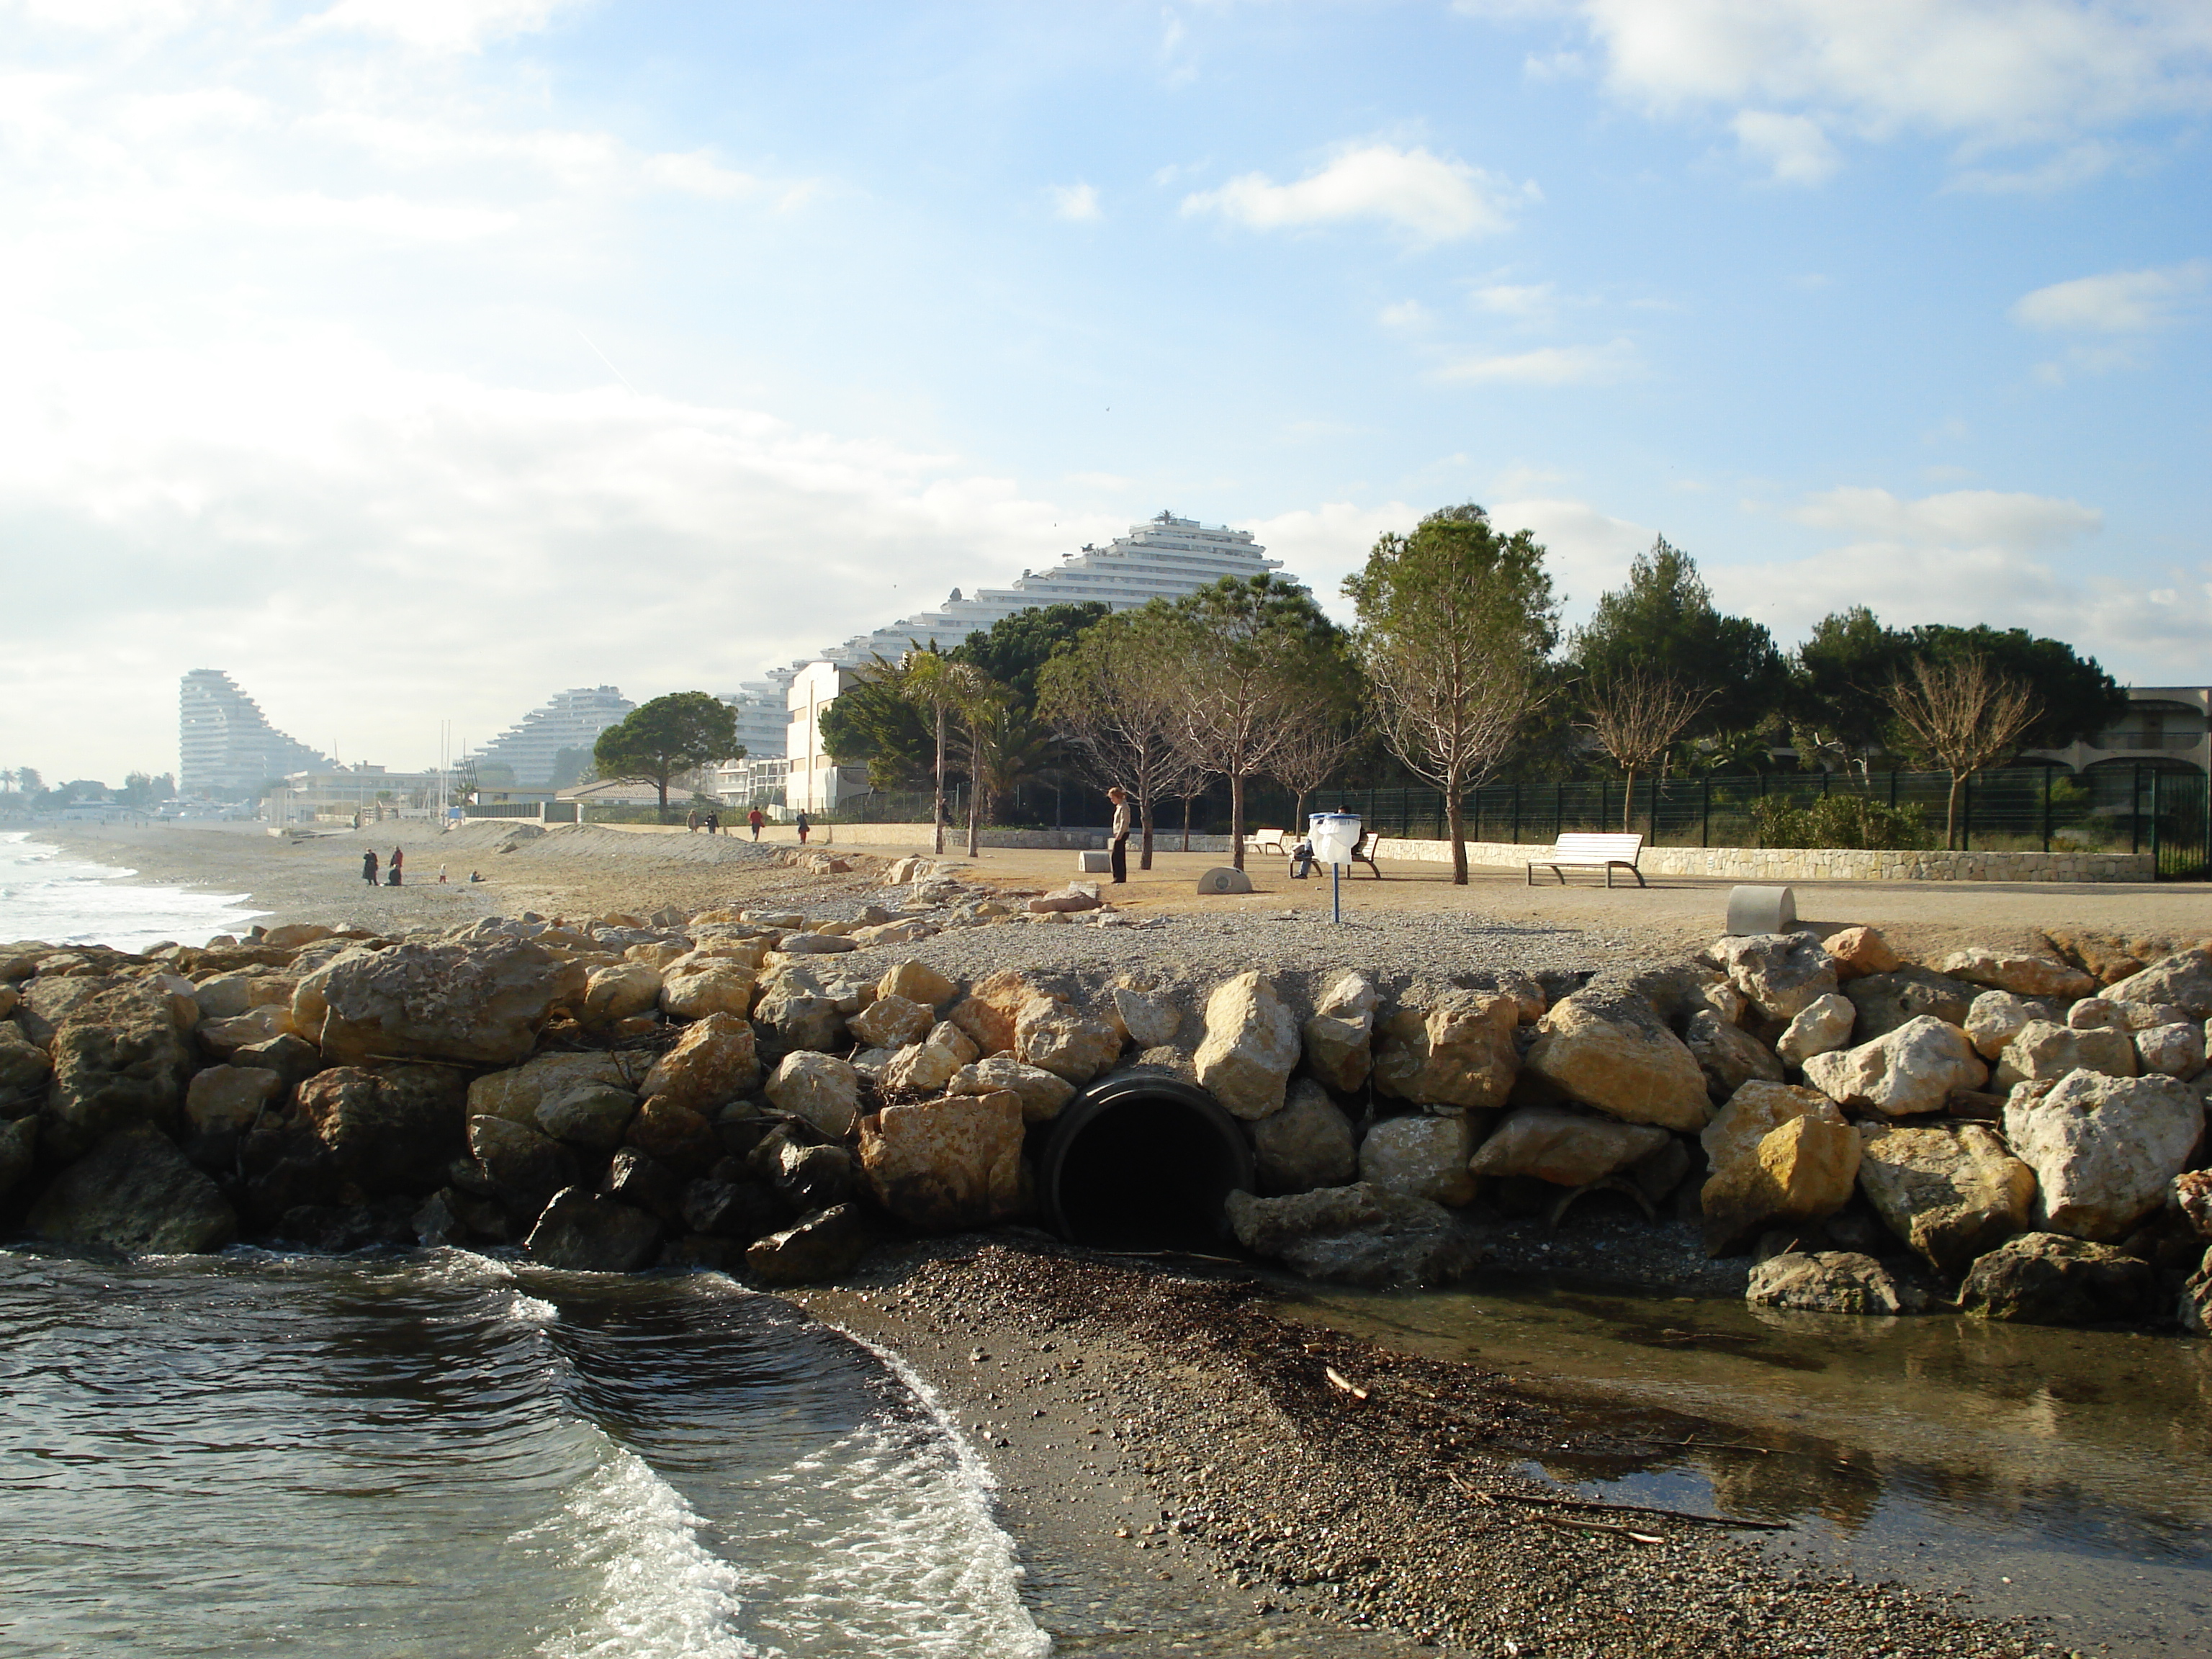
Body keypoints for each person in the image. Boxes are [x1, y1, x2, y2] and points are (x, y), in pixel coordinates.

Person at [1107, 786, 1131, 884]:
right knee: (1119, 855)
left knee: (1116, 856)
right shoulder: (1119, 806)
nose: (1112, 800)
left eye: (1113, 798)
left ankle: (1119, 877)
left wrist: (1120, 834)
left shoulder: (1124, 807)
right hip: (1119, 833)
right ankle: (1119, 877)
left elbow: (1124, 822)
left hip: (1122, 833)